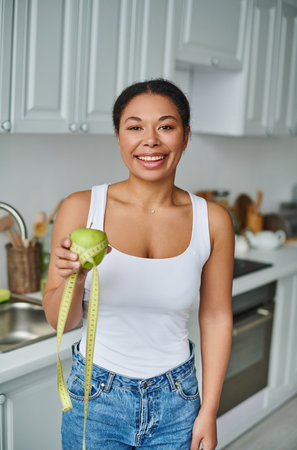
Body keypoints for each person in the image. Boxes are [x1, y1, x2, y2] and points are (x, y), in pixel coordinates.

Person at [42, 78, 234, 450]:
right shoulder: (81, 209)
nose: (151, 140)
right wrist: (74, 279)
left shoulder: (213, 220)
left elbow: (215, 317)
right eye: (135, 127)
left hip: (178, 401)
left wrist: (209, 411)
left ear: (186, 135)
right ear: (118, 137)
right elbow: (59, 321)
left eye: (166, 126)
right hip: (96, 399)